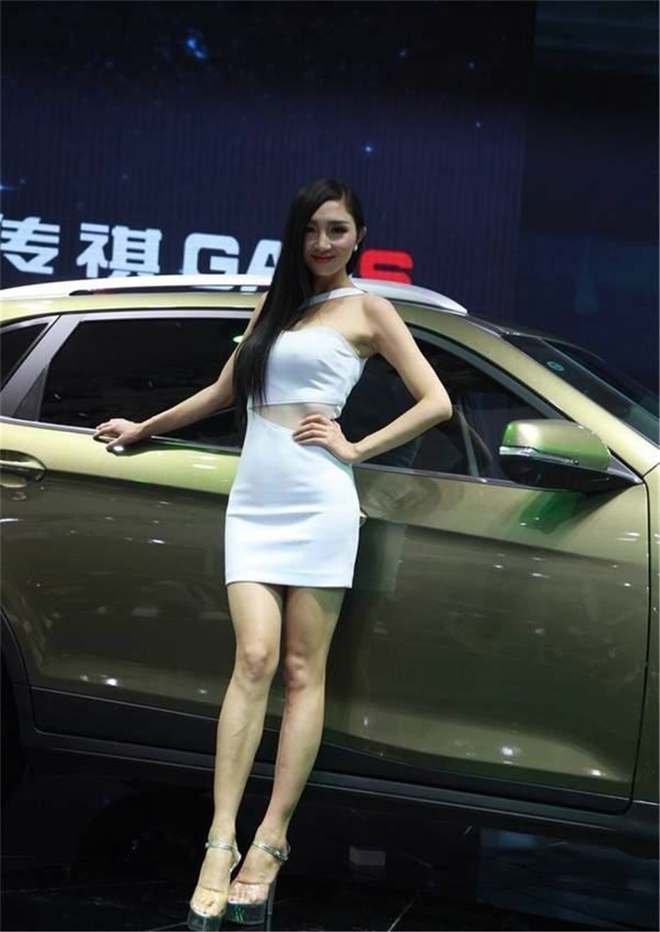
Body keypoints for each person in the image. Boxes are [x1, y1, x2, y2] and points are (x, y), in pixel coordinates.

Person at [94, 177, 452, 930]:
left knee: (300, 670)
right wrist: (144, 427)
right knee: (253, 659)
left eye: (337, 229)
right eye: (311, 230)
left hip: (321, 501)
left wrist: (355, 447)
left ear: (359, 235)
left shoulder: (370, 309)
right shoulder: (276, 305)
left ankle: (270, 840)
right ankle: (219, 840)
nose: (322, 243)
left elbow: (435, 401)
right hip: (255, 500)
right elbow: (224, 391)